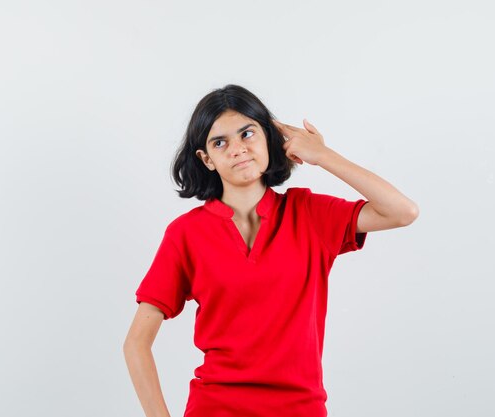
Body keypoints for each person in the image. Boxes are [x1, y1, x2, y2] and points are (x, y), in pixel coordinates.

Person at [123, 84, 419, 417]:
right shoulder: (186, 234)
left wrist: (322, 155)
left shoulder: (309, 214)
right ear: (206, 159)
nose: (237, 149)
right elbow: (136, 344)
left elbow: (402, 211)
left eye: (247, 134)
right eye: (220, 142)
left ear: (268, 138)